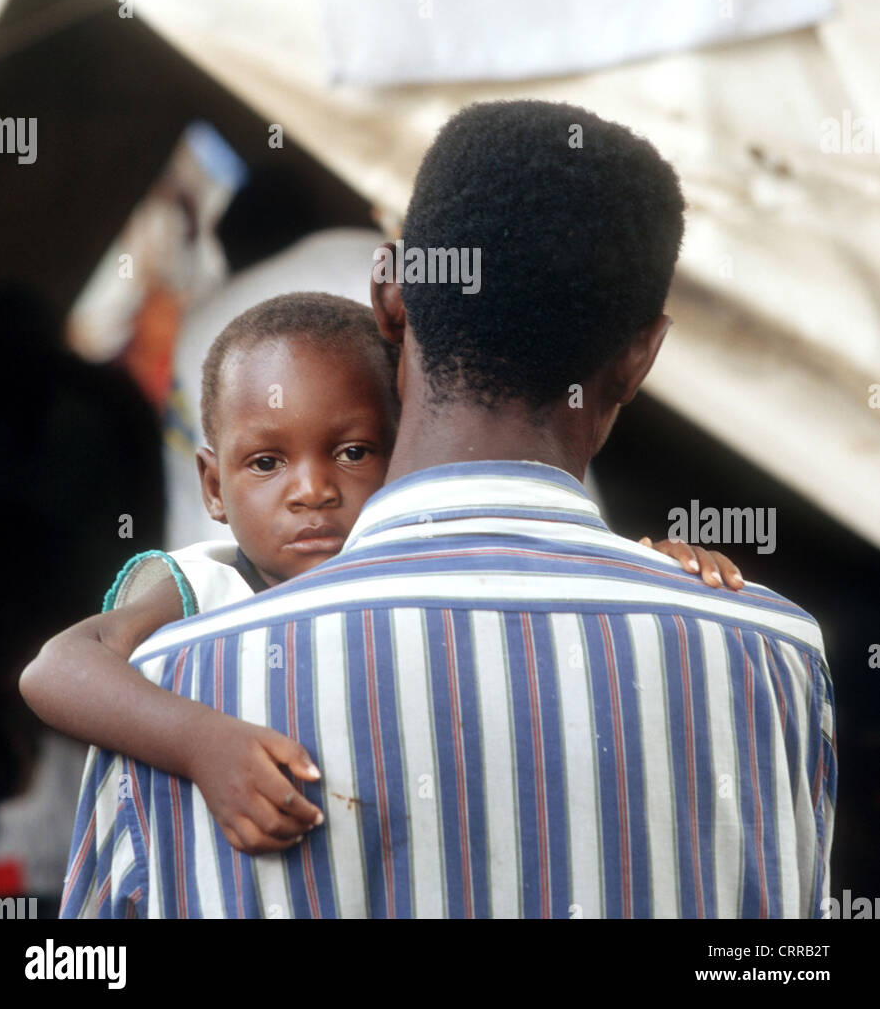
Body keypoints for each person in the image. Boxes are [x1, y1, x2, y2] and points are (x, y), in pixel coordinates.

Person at [59, 101, 836, 919]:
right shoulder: (773, 659)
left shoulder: (173, 689)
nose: (310, 489)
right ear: (638, 357)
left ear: (391, 300)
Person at [24, 290, 731, 860]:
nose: (311, 490)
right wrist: (203, 744)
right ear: (212, 486)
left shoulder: (425, 569)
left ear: (403, 458)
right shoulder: (199, 586)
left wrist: (647, 569)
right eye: (266, 463)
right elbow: (56, 671)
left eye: (353, 451)